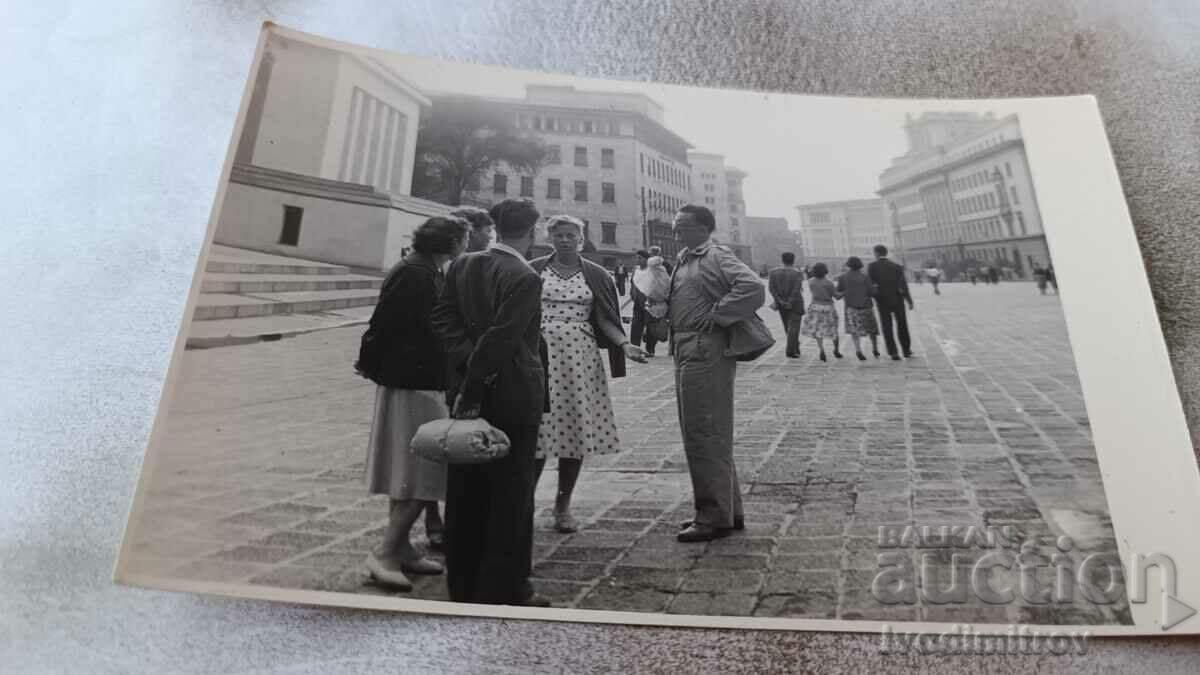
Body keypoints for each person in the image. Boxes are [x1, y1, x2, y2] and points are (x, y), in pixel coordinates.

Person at [430, 197, 549, 607]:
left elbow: (442, 317)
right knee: (512, 495)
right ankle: (506, 586)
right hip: (512, 393)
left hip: (465, 386)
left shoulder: (463, 264)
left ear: (495, 227)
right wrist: (475, 389)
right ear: (532, 232)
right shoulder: (525, 275)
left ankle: (462, 582)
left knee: (465, 491)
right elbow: (501, 339)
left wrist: (465, 367)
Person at [356, 216, 470, 591]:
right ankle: (385, 553)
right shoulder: (417, 275)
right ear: (451, 242)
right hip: (416, 384)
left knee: (408, 472)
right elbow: (393, 326)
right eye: (464, 238)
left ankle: (402, 548)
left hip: (412, 381)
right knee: (425, 471)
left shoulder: (421, 269)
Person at [529, 216, 647, 533]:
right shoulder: (534, 268)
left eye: (571, 235)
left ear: (581, 239)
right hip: (538, 355)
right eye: (559, 235)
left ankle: (562, 505)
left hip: (579, 358)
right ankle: (523, 503)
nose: (565, 240)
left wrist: (624, 344)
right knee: (536, 431)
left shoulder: (594, 273)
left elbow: (606, 318)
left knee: (574, 430)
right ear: (549, 237)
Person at [668, 205, 764, 543]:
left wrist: (721, 315)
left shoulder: (714, 255)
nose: (676, 229)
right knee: (706, 431)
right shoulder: (687, 257)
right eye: (676, 224)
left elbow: (752, 286)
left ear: (704, 228)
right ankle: (727, 510)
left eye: (683, 225)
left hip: (704, 349)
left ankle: (711, 516)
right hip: (687, 347)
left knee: (704, 431)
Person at [868, 244, 914, 360]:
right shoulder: (896, 266)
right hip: (897, 299)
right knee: (902, 324)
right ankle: (906, 350)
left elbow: (871, 284)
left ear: (877, 253)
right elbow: (903, 285)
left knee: (886, 325)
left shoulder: (872, 266)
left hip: (882, 300)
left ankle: (893, 352)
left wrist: (873, 297)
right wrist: (909, 300)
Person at [836, 256, 880, 360]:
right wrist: (876, 288)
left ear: (848, 265)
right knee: (871, 329)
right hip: (866, 306)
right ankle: (875, 349)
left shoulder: (842, 277)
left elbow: (839, 291)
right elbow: (872, 292)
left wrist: (848, 292)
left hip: (851, 307)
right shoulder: (865, 277)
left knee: (854, 330)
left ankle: (858, 350)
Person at [799, 262, 841, 361]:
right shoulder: (829, 283)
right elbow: (837, 296)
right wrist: (845, 291)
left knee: (818, 330)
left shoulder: (811, 281)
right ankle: (836, 349)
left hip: (815, 306)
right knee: (833, 329)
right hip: (828, 307)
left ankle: (821, 350)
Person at [768, 252, 806, 358]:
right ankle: (791, 350)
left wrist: (780, 300)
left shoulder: (773, 272)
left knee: (787, 327)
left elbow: (771, 288)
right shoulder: (797, 273)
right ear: (793, 260)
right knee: (794, 327)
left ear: (782, 260)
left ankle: (794, 346)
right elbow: (796, 289)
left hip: (781, 304)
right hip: (796, 304)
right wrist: (790, 301)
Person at [627, 250, 662, 357]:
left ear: (647, 259)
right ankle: (634, 348)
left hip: (649, 302)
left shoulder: (652, 270)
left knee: (651, 326)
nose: (638, 260)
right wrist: (632, 293)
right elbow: (632, 283)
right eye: (637, 257)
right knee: (636, 324)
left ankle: (650, 349)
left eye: (640, 258)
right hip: (637, 301)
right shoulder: (635, 270)